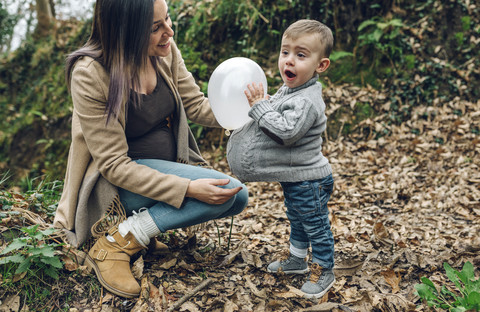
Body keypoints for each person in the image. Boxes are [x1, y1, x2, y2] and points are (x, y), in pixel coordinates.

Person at [53, 0, 248, 299]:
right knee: (232, 189)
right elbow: (115, 165)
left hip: (156, 171)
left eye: (167, 19)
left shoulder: (163, 51)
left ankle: (140, 231)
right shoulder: (90, 73)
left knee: (234, 200)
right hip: (116, 186)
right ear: (124, 32)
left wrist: (250, 112)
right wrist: (188, 187)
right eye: (155, 28)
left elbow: (195, 104)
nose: (169, 31)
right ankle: (116, 241)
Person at [226, 19, 335, 299]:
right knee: (297, 220)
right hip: (295, 177)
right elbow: (276, 113)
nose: (289, 60)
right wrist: (261, 105)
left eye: (301, 55)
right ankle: (298, 260)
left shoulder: (307, 99)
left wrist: (260, 107)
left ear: (320, 66)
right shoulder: (292, 90)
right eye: (285, 52)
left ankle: (324, 270)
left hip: (310, 180)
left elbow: (287, 131)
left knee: (315, 225)